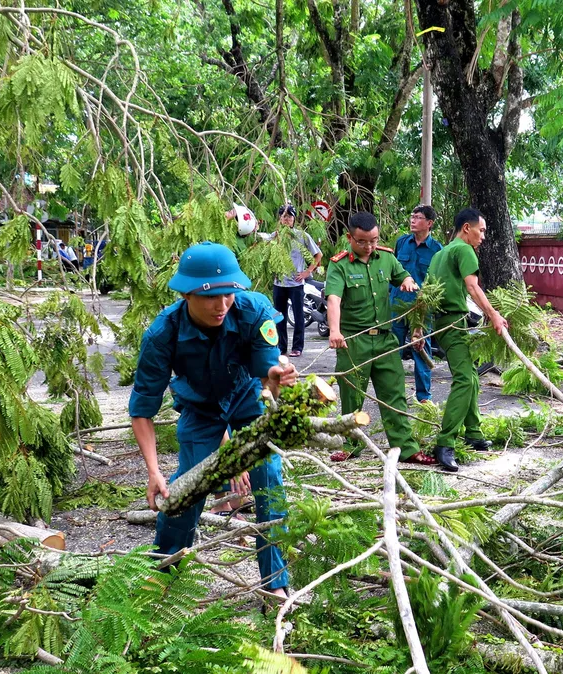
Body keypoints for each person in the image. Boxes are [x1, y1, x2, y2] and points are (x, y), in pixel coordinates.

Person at [129, 242, 297, 601]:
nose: (222, 306)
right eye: (211, 297)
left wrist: (277, 378)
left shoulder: (253, 310)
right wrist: (154, 472)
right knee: (187, 489)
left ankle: (275, 582)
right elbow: (142, 409)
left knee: (270, 481)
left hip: (247, 401)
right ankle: (164, 572)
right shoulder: (163, 333)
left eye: (228, 295)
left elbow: (267, 368)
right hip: (200, 410)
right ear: (187, 293)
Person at [324, 212, 437, 465]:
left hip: (386, 340)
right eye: (363, 241)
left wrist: (407, 281)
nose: (369, 246)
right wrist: (334, 331)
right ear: (349, 237)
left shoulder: (386, 256)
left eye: (374, 240)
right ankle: (351, 446)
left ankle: (406, 449)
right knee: (352, 396)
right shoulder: (339, 264)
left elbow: (402, 275)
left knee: (394, 394)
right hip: (354, 341)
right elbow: (334, 299)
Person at [425, 207, 508, 472]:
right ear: (466, 229)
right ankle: (445, 443)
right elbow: (473, 287)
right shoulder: (463, 250)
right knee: (464, 378)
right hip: (451, 323)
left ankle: (473, 433)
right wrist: (493, 314)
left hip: (442, 322)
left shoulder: (440, 253)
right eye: (481, 230)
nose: (483, 236)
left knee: (471, 375)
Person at [389, 205, 444, 402]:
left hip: (421, 308)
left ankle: (424, 397)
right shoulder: (402, 242)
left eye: (418, 217)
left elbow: (437, 283)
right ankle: (394, 392)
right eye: (412, 216)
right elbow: (393, 272)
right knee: (393, 349)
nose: (413, 220)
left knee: (421, 348)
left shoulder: (438, 250)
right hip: (397, 305)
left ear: (429, 223)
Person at [270, 205, 322, 357]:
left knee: (299, 317)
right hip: (279, 284)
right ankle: (281, 347)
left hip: (296, 284)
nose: (286, 219)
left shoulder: (302, 236)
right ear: (280, 219)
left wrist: (307, 272)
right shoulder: (275, 236)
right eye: (284, 216)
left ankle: (297, 347)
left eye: (289, 217)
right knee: (280, 316)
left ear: (294, 219)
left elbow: (318, 255)